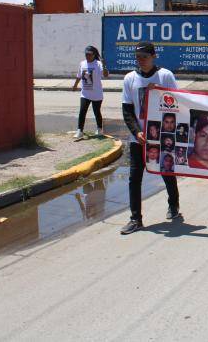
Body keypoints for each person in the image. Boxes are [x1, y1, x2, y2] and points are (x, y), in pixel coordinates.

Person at [120, 41, 182, 235]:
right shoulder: (130, 78)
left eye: (144, 57)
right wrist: (136, 130)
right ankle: (135, 218)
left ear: (154, 56)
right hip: (139, 137)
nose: (141, 61)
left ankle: (173, 204)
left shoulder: (165, 76)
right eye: (138, 57)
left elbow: (178, 103)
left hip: (163, 134)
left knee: (166, 171)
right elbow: (127, 109)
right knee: (134, 176)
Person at [72, 46, 108, 138]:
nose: (87, 56)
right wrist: (75, 85)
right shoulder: (82, 63)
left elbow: (106, 75)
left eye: (89, 54)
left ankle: (100, 129)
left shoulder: (98, 64)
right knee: (82, 111)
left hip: (96, 93)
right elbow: (79, 76)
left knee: (97, 112)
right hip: (85, 93)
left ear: (94, 55)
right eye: (86, 54)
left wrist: (104, 65)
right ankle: (79, 131)